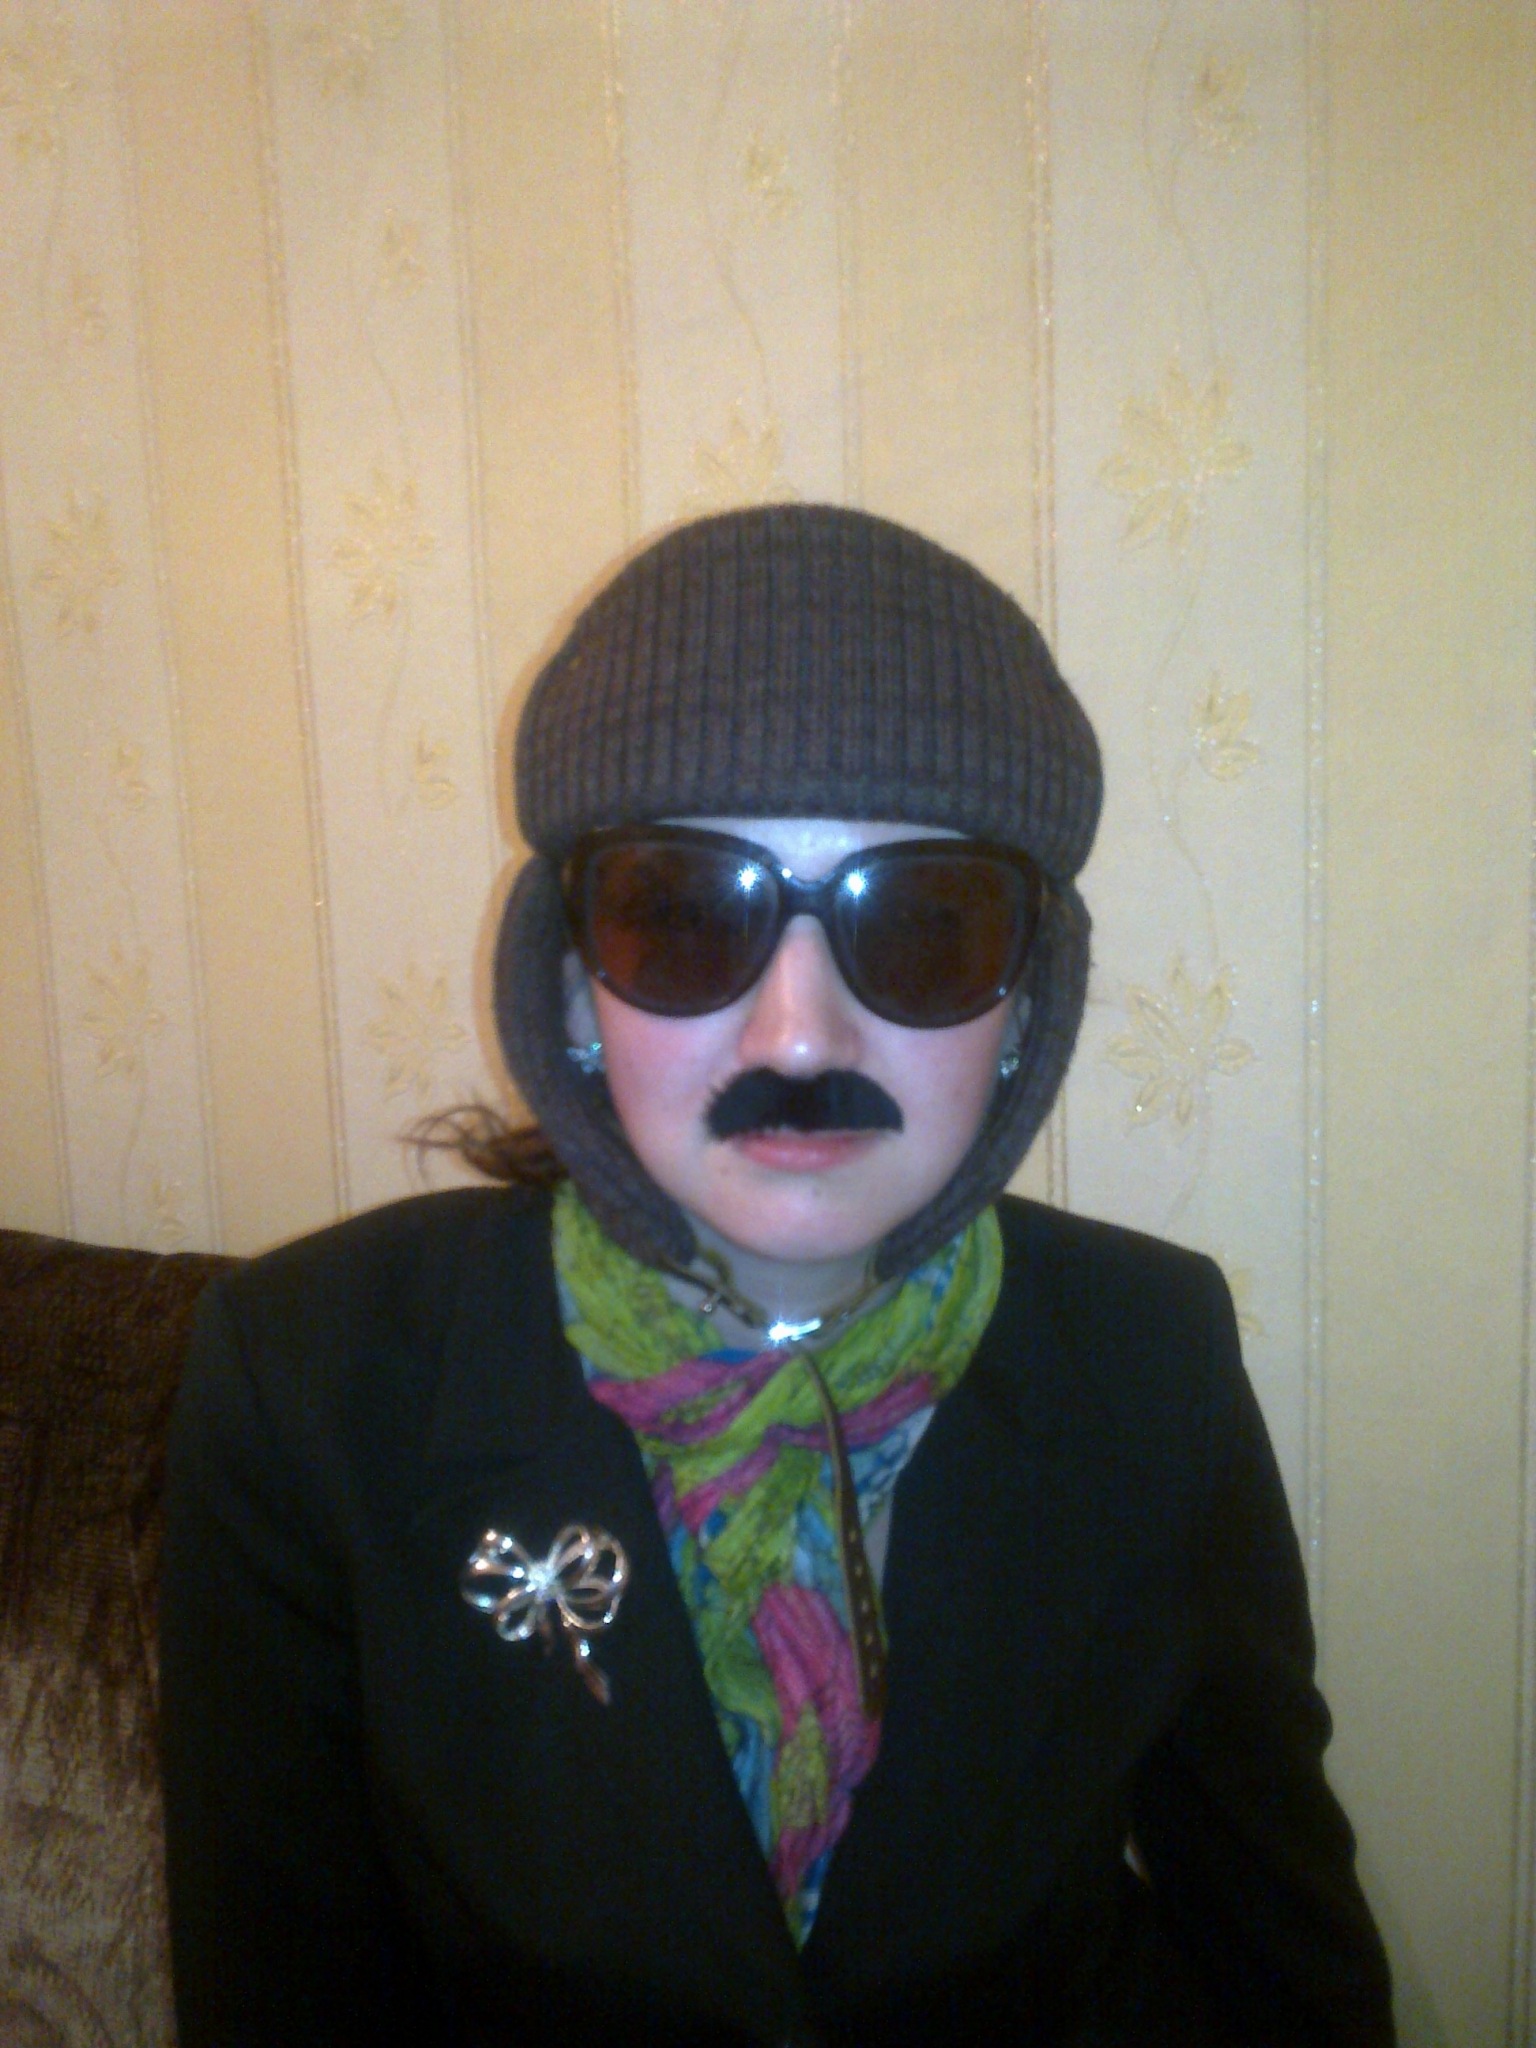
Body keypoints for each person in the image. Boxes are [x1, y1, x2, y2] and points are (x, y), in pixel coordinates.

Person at [160, 504, 1394, 2046]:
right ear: (572, 986)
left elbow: (1288, 1971)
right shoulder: (307, 1383)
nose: (798, 1035)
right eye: (687, 916)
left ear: (1026, 1001)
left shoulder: (1152, 1356)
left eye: (923, 925)